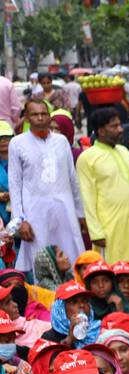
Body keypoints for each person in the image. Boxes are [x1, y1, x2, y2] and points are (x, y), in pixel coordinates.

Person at [7, 99, 85, 275]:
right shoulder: (17, 143)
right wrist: (20, 220)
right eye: (35, 114)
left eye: (44, 114)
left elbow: (72, 179)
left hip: (64, 210)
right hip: (35, 214)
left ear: (50, 117)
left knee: (71, 258)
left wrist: (80, 213)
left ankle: (73, 298)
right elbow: (15, 183)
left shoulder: (61, 141)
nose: (40, 118)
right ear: (27, 118)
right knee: (41, 263)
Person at [77, 109, 129, 280]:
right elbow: (87, 197)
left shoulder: (124, 151)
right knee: (114, 274)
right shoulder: (87, 158)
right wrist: (96, 232)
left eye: (119, 125)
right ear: (101, 131)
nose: (121, 129)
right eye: (114, 126)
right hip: (109, 228)